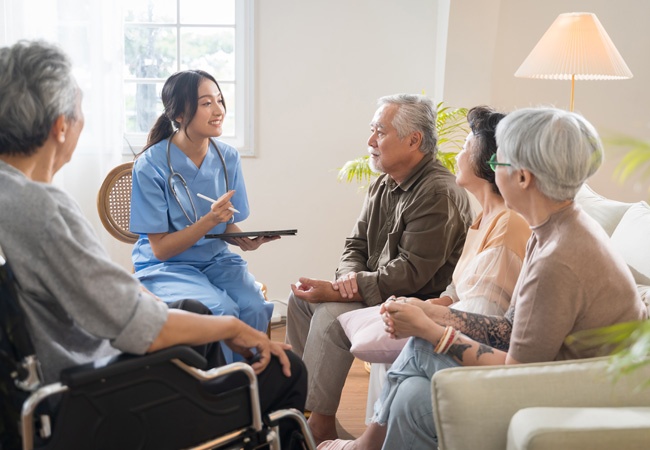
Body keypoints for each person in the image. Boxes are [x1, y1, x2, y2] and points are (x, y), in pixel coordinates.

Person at [0, 40, 306, 449]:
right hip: (87, 395)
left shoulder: (13, 195)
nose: (217, 110)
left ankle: (231, 397)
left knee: (201, 311)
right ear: (61, 125)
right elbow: (136, 324)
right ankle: (237, 417)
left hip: (54, 378)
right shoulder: (41, 210)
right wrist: (231, 327)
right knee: (290, 371)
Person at [318, 107, 648, 450]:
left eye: (497, 163)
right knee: (413, 398)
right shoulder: (552, 228)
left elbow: (516, 372)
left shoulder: (558, 258)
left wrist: (430, 329)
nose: (491, 170)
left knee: (420, 347)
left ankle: (365, 446)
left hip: (575, 394)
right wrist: (436, 313)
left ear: (523, 178)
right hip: (563, 377)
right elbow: (509, 328)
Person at [286, 94, 475, 443]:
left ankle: (319, 425)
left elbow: (411, 273)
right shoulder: (384, 182)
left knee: (328, 314)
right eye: (371, 131)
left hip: (414, 300)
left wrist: (344, 289)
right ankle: (303, 409)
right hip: (376, 289)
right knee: (300, 299)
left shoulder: (437, 193)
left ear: (413, 140)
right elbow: (354, 245)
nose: (370, 141)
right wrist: (346, 279)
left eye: (379, 132)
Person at [130, 69, 274, 362]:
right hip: (168, 267)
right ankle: (218, 395)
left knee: (254, 306)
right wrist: (208, 221)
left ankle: (254, 390)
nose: (219, 110)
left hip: (217, 260)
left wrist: (244, 240)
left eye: (219, 100)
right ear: (180, 114)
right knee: (220, 311)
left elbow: (227, 223)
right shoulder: (150, 165)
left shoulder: (227, 157)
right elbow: (160, 249)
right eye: (206, 103)